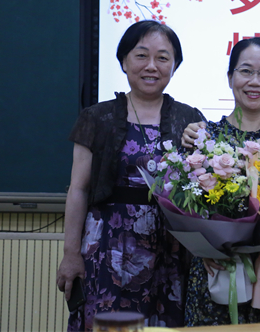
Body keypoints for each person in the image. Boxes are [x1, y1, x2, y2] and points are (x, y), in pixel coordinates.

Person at [56, 21, 205, 331]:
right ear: (124, 61)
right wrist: (71, 254)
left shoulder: (190, 119)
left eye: (162, 58)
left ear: (174, 66)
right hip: (107, 246)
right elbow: (78, 190)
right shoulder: (97, 117)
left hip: (169, 249)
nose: (151, 66)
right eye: (141, 55)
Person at [181, 37, 260, 326]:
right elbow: (186, 205)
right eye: (246, 71)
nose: (255, 81)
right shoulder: (204, 138)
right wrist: (204, 247)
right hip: (217, 272)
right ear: (230, 77)